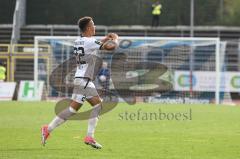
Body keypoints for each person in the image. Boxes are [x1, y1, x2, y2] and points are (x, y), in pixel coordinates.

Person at [41, 16, 119, 149]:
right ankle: (89, 136)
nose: (95, 27)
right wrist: (116, 39)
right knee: (98, 106)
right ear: (88, 27)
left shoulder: (78, 41)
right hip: (84, 80)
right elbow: (111, 47)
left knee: (72, 109)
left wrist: (105, 39)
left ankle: (47, 129)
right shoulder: (89, 41)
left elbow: (93, 44)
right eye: (93, 24)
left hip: (81, 79)